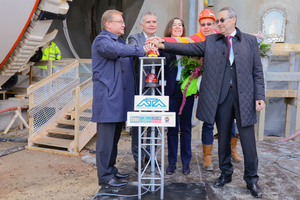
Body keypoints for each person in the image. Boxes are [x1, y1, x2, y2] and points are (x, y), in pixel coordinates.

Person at [149, 7, 265, 198]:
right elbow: (188, 48)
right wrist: (163, 44)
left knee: (248, 142)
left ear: (233, 20)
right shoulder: (211, 41)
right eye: (216, 21)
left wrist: (259, 96)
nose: (218, 24)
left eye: (221, 20)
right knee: (223, 140)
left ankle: (252, 180)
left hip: (244, 98)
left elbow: (257, 71)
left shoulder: (250, 41)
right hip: (222, 99)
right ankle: (225, 174)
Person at [163, 9, 243, 171]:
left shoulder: (217, 39)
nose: (206, 27)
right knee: (177, 128)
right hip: (181, 89)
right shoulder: (181, 42)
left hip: (208, 88)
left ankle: (191, 161)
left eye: (209, 23)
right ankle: (179, 161)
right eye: (203, 24)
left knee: (224, 122)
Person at [91, 9, 149, 188]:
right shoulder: (103, 41)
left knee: (114, 139)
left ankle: (111, 169)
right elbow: (116, 51)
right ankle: (105, 177)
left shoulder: (118, 41)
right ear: (108, 24)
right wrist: (143, 49)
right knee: (105, 142)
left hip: (118, 100)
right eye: (120, 21)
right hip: (108, 99)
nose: (124, 24)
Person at [128, 12, 159, 172]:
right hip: (139, 90)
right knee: (139, 126)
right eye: (148, 22)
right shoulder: (135, 38)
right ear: (142, 25)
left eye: (154, 21)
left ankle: (151, 157)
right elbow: (135, 50)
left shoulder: (161, 41)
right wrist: (147, 50)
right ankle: (138, 159)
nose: (152, 24)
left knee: (153, 125)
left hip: (156, 92)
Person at [162, 17, 193, 175]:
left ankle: (186, 162)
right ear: (169, 28)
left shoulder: (189, 44)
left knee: (186, 128)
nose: (177, 27)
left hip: (186, 89)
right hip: (171, 90)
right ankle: (172, 162)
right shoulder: (164, 46)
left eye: (180, 25)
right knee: (172, 129)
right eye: (174, 25)